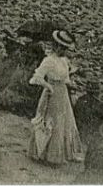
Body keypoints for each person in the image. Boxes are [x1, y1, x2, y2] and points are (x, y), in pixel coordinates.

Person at [28, 30, 85, 165]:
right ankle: (46, 155)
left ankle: (62, 154)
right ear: (56, 46)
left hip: (63, 94)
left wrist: (75, 86)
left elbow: (65, 79)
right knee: (51, 122)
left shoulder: (64, 61)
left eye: (65, 48)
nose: (63, 50)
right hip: (51, 94)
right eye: (61, 47)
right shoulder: (48, 61)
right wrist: (48, 86)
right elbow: (36, 79)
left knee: (64, 123)